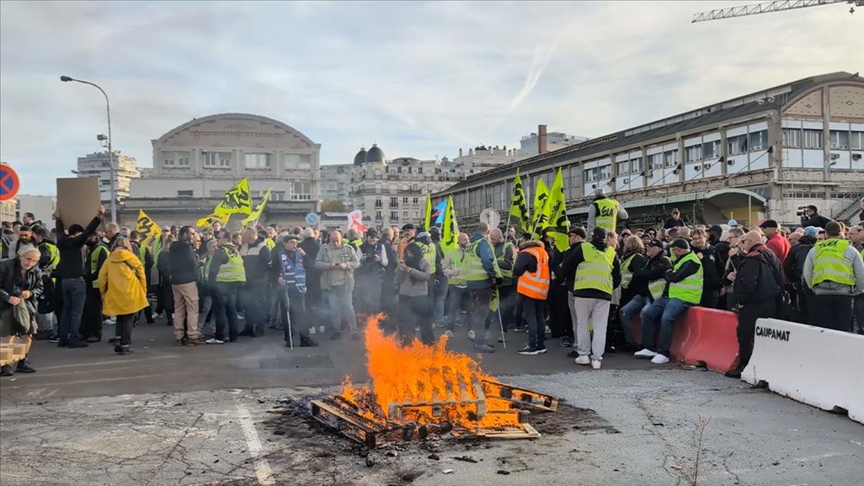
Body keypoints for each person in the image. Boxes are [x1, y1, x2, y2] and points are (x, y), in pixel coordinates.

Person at [559, 227, 621, 369]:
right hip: (603, 294)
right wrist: (608, 287)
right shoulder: (612, 252)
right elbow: (617, 277)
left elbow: (567, 267)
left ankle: (583, 355)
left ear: (592, 237)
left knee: (582, 324)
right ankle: (597, 359)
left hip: (583, 292)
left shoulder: (584, 248)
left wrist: (567, 281)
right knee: (600, 327)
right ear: (605, 239)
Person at [725, 230, 783, 378]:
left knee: (745, 335)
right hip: (771, 303)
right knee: (765, 338)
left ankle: (744, 366)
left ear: (750, 242)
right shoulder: (770, 255)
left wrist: (741, 300)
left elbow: (748, 284)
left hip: (753, 305)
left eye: (743, 241)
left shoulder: (752, 259)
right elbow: (780, 278)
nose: (742, 245)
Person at [636, 238, 703, 364]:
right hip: (672, 296)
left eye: (673, 250)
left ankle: (663, 353)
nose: (671, 252)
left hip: (685, 297)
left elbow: (674, 277)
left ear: (678, 250)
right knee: (648, 314)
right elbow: (670, 274)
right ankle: (649, 348)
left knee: (666, 318)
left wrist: (668, 273)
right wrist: (669, 273)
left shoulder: (692, 261)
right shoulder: (680, 260)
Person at [803, 221, 864, 332]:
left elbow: (807, 273)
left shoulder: (815, 250)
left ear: (826, 234)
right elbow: (861, 274)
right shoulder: (850, 250)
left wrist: (813, 288)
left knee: (823, 330)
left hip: (821, 294)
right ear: (841, 233)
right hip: (844, 295)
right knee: (843, 330)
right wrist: (858, 291)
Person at [97, 237, 148, 355]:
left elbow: (101, 278)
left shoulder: (109, 259)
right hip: (131, 291)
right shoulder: (132, 258)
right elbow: (142, 275)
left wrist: (103, 292)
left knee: (120, 317)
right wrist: (143, 291)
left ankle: (119, 340)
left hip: (115, 292)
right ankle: (126, 344)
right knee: (129, 318)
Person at [620, 240, 672, 350]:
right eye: (647, 246)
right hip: (643, 294)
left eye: (651, 247)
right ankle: (630, 342)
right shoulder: (648, 260)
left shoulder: (664, 260)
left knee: (645, 314)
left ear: (659, 248)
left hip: (655, 296)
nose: (648, 248)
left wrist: (640, 273)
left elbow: (651, 274)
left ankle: (646, 345)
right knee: (624, 312)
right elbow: (642, 274)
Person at [0, 247, 43, 376]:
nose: (30, 263)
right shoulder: (5, 266)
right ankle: (5, 364)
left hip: (27, 306)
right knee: (8, 335)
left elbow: (40, 288)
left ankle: (22, 360)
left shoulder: (36, 271)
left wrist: (30, 293)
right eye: (28, 259)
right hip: (6, 305)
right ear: (20, 256)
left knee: (28, 334)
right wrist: (7, 297)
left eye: (34, 261)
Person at [271, 235, 317, 347]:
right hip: (286, 289)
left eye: (296, 242)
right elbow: (272, 270)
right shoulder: (279, 255)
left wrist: (305, 256)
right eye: (292, 242)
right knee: (287, 314)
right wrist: (277, 278)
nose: (295, 244)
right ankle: (289, 338)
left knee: (301, 314)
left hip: (299, 289)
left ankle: (304, 338)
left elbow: (311, 267)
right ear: (285, 244)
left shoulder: (300, 255)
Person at [315, 230, 361, 340]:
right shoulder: (324, 249)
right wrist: (328, 265)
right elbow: (317, 263)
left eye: (337, 241)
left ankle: (353, 330)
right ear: (329, 239)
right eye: (333, 241)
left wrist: (346, 265)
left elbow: (357, 263)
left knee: (348, 308)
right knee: (334, 309)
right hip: (330, 285)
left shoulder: (348, 249)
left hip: (345, 284)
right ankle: (337, 330)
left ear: (341, 239)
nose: (335, 243)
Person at [462, 222, 498, 353]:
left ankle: (480, 338)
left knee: (477, 312)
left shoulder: (470, 244)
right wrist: (493, 275)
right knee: (481, 314)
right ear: (488, 232)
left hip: (471, 281)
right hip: (482, 282)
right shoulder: (482, 243)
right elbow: (487, 260)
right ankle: (480, 342)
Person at [513, 239, 550, 355]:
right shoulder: (543, 252)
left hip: (528, 289)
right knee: (540, 318)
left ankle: (532, 346)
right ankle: (541, 345)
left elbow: (518, 269)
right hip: (541, 288)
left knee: (531, 318)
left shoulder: (526, 253)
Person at [169, 226, 204, 346]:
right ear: (184, 234)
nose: (194, 235)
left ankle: (178, 336)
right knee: (192, 308)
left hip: (175, 281)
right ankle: (192, 335)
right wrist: (199, 263)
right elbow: (191, 264)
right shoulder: (187, 247)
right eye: (192, 233)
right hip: (187, 280)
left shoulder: (173, 247)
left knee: (179, 308)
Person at [208, 229, 245, 343]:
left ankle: (219, 337)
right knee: (232, 312)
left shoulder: (221, 251)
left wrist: (211, 285)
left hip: (221, 284)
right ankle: (234, 337)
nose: (217, 240)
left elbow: (213, 270)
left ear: (225, 239)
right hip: (234, 284)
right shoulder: (235, 250)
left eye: (219, 238)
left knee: (220, 312)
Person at [396, 242, 433, 345]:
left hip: (420, 296)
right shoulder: (404, 262)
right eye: (407, 252)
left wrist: (410, 270)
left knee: (424, 323)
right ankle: (406, 345)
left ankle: (429, 345)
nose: (409, 255)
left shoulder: (424, 262)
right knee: (406, 323)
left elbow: (425, 276)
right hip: (405, 296)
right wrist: (400, 270)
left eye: (411, 252)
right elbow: (398, 280)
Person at [558, 227, 587, 353]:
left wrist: (561, 277)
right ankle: (589, 346)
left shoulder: (571, 251)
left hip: (574, 288)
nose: (569, 239)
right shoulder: (591, 249)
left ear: (577, 236)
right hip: (590, 286)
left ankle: (578, 345)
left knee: (577, 319)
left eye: (571, 236)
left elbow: (565, 269)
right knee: (589, 321)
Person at [239, 227, 271, 337]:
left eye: (245, 235)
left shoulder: (262, 248)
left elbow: (267, 264)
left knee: (258, 306)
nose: (243, 237)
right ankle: (248, 327)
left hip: (258, 283)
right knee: (247, 305)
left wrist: (256, 276)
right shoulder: (244, 247)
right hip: (246, 281)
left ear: (252, 235)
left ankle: (259, 328)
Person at [80, 230, 109, 343]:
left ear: (94, 237)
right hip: (89, 284)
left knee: (95, 311)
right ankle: (87, 332)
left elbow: (102, 269)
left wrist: (89, 277)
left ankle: (96, 333)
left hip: (97, 285)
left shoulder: (101, 249)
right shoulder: (90, 249)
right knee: (88, 310)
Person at [490, 228, 517, 333]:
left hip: (508, 281)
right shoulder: (492, 246)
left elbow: (510, 265)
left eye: (493, 239)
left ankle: (505, 327)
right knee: (498, 305)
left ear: (500, 237)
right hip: (497, 281)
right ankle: (501, 325)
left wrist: (495, 262)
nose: (491, 241)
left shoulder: (508, 247)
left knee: (505, 306)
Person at [690, 228, 723, 309]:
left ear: (705, 237)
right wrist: (696, 260)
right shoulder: (690, 251)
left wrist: (721, 285)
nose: (697, 241)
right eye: (695, 239)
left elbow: (720, 267)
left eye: (699, 238)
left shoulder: (713, 249)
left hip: (712, 289)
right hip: (696, 290)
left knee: (711, 313)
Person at [356, 229, 386, 316]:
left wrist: (379, 259)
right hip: (365, 276)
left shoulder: (381, 247)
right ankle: (367, 319)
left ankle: (375, 319)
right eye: (370, 239)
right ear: (366, 237)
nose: (372, 241)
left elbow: (385, 262)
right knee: (366, 300)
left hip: (377, 276)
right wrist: (363, 259)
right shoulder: (361, 248)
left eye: (374, 240)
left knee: (376, 300)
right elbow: (357, 264)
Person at [129, 231, 155, 324]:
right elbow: (151, 262)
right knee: (144, 295)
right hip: (143, 274)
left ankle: (135, 317)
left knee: (135, 296)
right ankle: (149, 317)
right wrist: (145, 268)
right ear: (139, 238)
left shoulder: (128, 247)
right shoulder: (144, 248)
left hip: (132, 275)